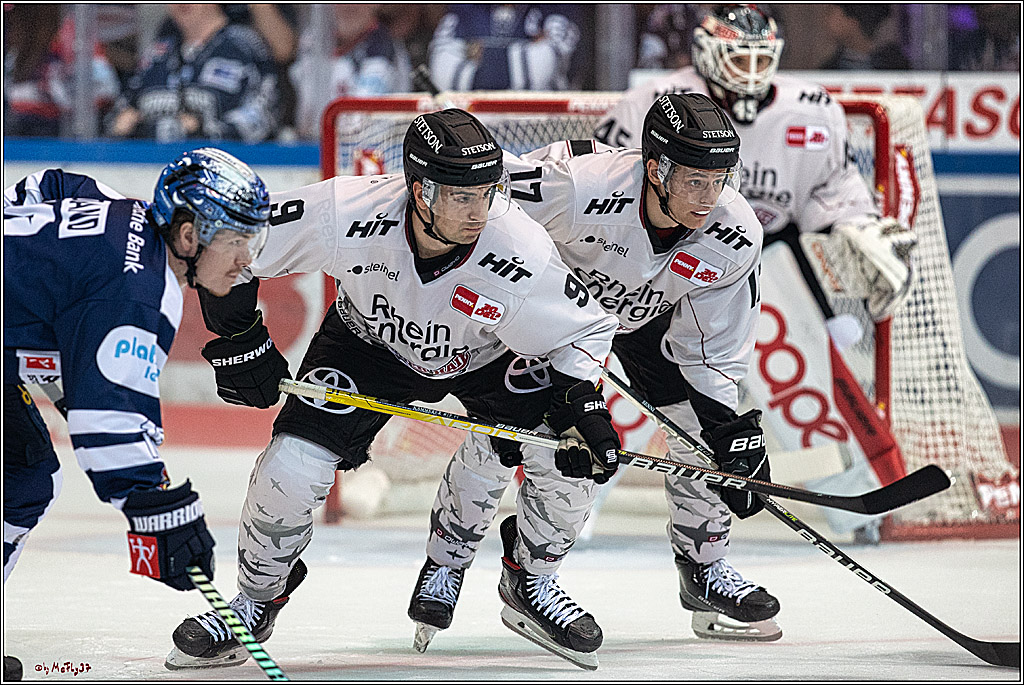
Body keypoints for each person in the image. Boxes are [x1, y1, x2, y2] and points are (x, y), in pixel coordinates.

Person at [163, 108, 622, 671]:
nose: (479, 212)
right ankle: (255, 601)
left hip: (489, 353)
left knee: (566, 457)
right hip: (367, 344)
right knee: (289, 469)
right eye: (461, 197)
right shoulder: (347, 209)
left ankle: (533, 580)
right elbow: (242, 238)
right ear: (418, 190)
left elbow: (588, 326)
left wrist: (584, 401)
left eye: (487, 192)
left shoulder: (519, 245)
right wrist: (242, 339)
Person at [587, 2, 917, 629]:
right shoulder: (654, 103)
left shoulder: (812, 110)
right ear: (707, 56)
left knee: (752, 402)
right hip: (648, 272)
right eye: (737, 56)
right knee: (601, 410)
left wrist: (859, 226)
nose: (750, 70)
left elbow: (835, 194)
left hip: (756, 267)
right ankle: (560, 530)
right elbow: (605, 187)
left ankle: (774, 537)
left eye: (759, 57)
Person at [413, 92, 785, 647]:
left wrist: (732, 434)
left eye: (719, 180)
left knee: (706, 430)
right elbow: (480, 199)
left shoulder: (734, 231)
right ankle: (447, 559)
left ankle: (704, 564)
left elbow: (712, 355)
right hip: (543, 314)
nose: (710, 197)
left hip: (642, 317)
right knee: (509, 433)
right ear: (656, 169)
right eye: (694, 181)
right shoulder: (579, 186)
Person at [3, 148, 271, 681]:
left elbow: (43, 186)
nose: (248, 259)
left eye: (252, 240)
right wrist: (159, 509)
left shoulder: (121, 211)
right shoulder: (141, 292)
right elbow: (110, 425)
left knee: (20, 477)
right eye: (237, 240)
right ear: (190, 236)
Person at [108, 3, 278, 143]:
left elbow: (263, 117)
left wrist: (203, 131)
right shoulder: (157, 53)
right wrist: (123, 126)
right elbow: (118, 115)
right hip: (149, 171)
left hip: (219, 171)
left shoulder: (244, 46)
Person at [428, 4, 582, 91]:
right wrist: (525, 49)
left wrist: (478, 54)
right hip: (476, 127)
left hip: (540, 127)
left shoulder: (555, 8)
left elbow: (540, 70)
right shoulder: (465, 10)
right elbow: (443, 76)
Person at [819, 4, 911, 71]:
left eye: (831, 13)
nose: (825, 20)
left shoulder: (896, 65)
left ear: (853, 21)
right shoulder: (829, 69)